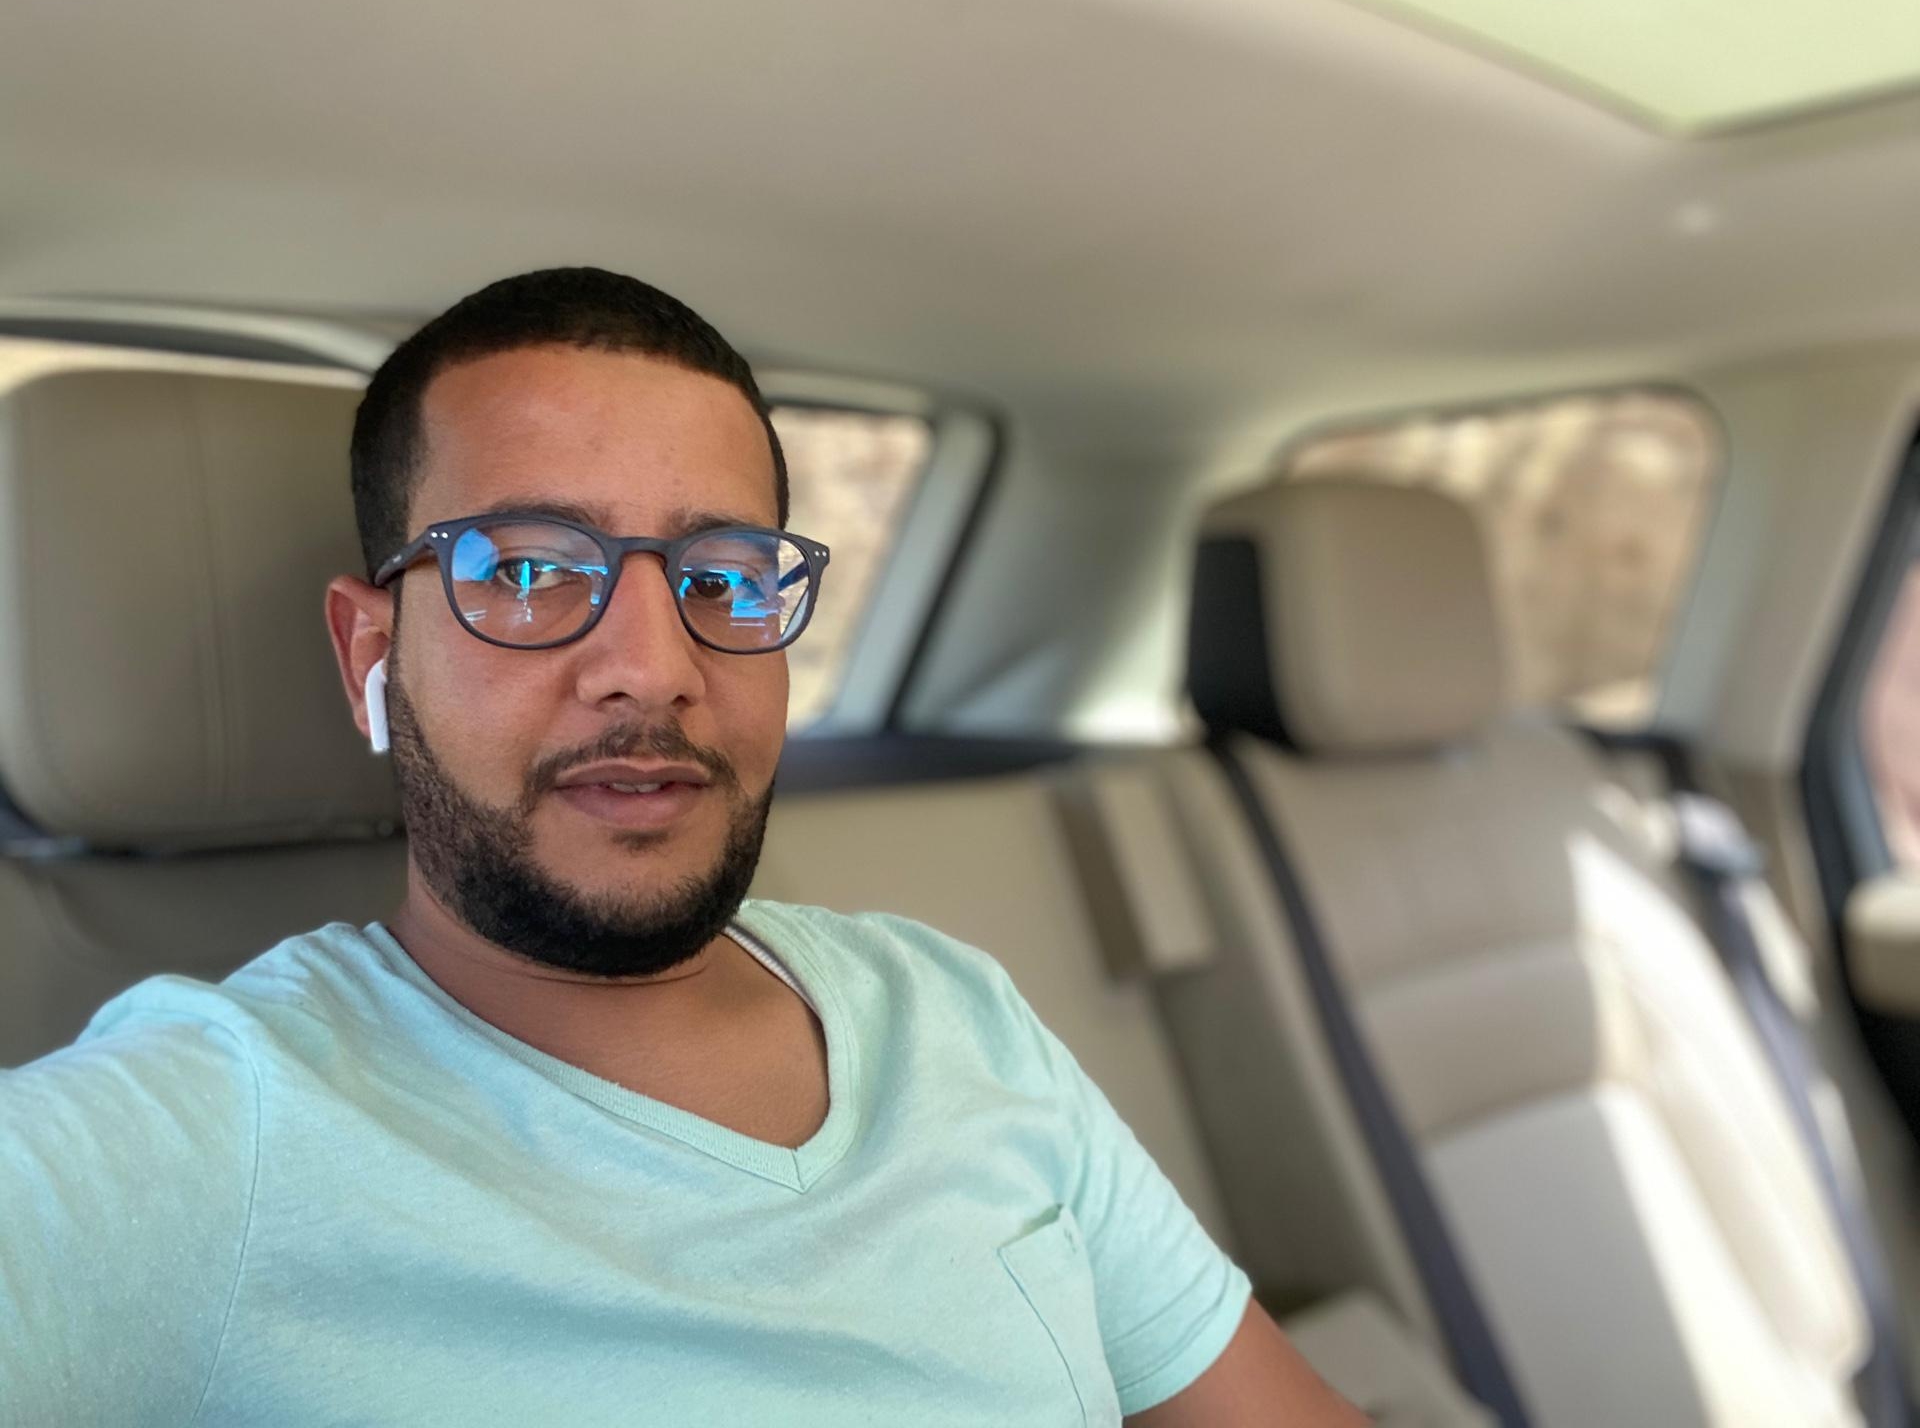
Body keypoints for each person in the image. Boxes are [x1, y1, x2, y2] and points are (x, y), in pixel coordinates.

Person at [0, 267, 1362, 1426]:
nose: (653, 669)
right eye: (526, 570)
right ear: (371, 651)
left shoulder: (953, 1009)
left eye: (723, 577)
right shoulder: (207, 1135)